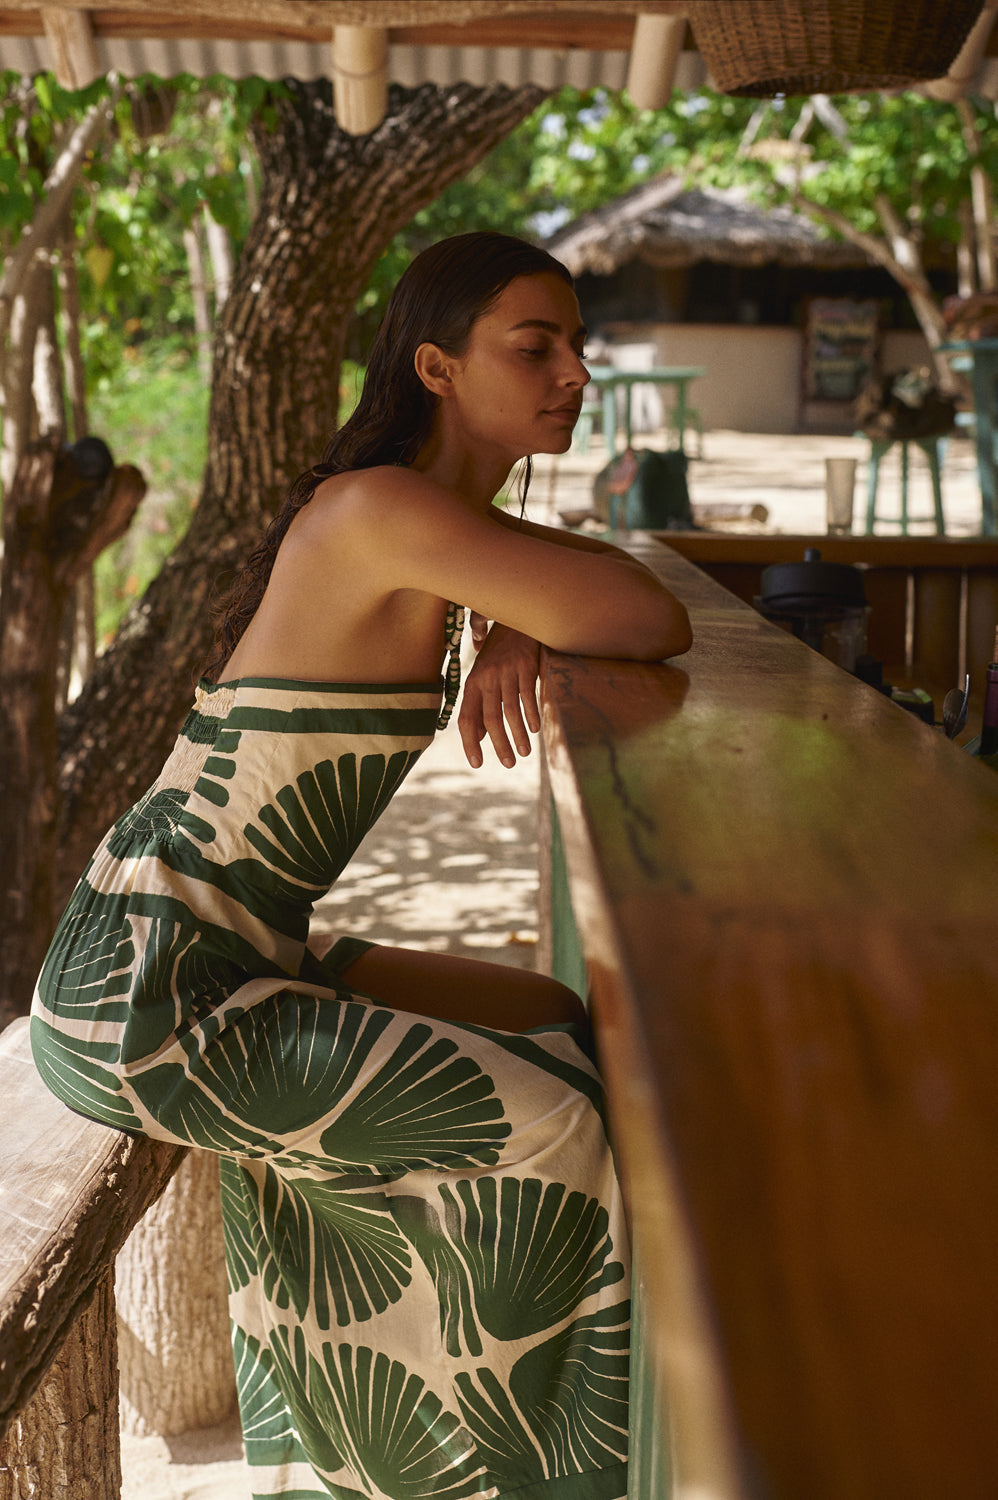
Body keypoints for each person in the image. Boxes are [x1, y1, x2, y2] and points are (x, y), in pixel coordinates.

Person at [31, 231, 692, 1500]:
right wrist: (521, 605)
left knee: (555, 1019)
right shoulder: (382, 509)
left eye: (575, 347)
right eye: (533, 346)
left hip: (234, 950)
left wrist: (511, 610)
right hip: (154, 989)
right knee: (552, 1118)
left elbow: (619, 580)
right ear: (436, 367)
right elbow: (643, 614)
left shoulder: (438, 522)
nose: (571, 374)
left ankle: (367, 1426)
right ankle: (489, 1467)